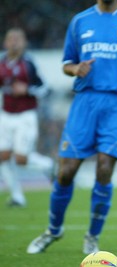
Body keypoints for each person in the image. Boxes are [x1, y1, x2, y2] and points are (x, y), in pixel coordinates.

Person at [27, 0, 117, 254]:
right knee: (66, 172)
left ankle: (92, 236)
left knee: (104, 168)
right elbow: (67, 63)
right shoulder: (80, 21)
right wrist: (77, 68)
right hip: (84, 102)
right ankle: (54, 229)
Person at [0, 27, 51, 207]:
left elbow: (45, 89)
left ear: (24, 43)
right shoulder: (1, 63)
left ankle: (49, 166)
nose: (14, 41)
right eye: (11, 38)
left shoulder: (28, 64)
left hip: (25, 116)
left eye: (18, 38)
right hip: (5, 115)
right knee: (3, 155)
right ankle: (17, 196)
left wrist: (27, 90)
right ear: (5, 42)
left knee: (21, 159)